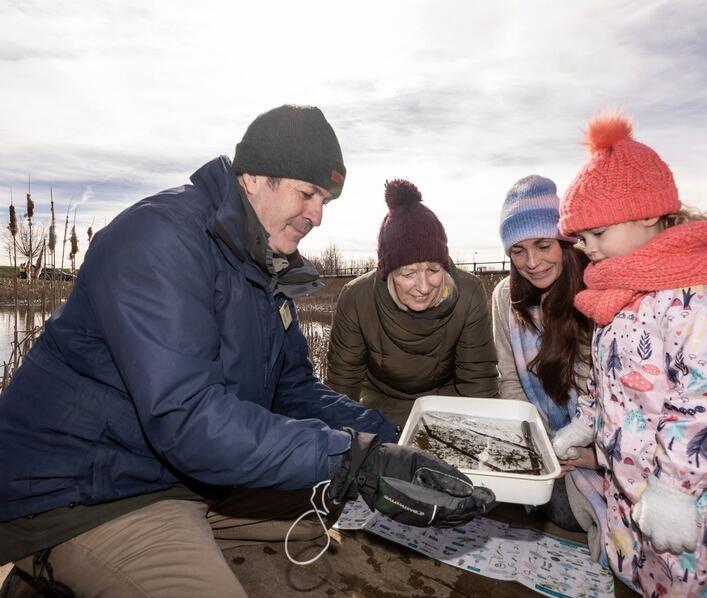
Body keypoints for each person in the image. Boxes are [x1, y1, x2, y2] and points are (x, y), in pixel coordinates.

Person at [0, 105, 494, 597]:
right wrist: (350, 461)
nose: (317, 216)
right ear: (254, 177)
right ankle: (46, 572)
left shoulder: (264, 267)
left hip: (188, 477)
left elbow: (293, 389)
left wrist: (393, 445)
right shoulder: (159, 239)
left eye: (325, 200)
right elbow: (188, 418)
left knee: (327, 510)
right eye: (307, 193)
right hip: (85, 494)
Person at [552, 112, 707, 597]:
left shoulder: (690, 295)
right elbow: (609, 376)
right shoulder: (618, 295)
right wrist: (587, 422)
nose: (587, 249)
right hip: (627, 491)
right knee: (636, 582)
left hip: (681, 506)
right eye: (580, 239)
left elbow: (698, 401)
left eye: (597, 234)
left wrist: (676, 489)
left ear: (646, 213)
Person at [491, 175, 607, 564]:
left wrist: (593, 455)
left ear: (565, 242)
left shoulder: (595, 294)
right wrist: (534, 444)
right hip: (542, 439)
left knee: (563, 509)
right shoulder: (504, 298)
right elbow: (510, 379)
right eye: (518, 251)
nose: (532, 262)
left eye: (543, 245)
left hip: (594, 445)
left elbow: (611, 395)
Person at [326, 178, 499, 429]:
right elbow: (343, 387)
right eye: (408, 274)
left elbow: (478, 382)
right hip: (380, 408)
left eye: (433, 269)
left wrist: (484, 441)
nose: (424, 286)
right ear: (388, 272)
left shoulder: (469, 292)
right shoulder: (356, 298)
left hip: (446, 407)